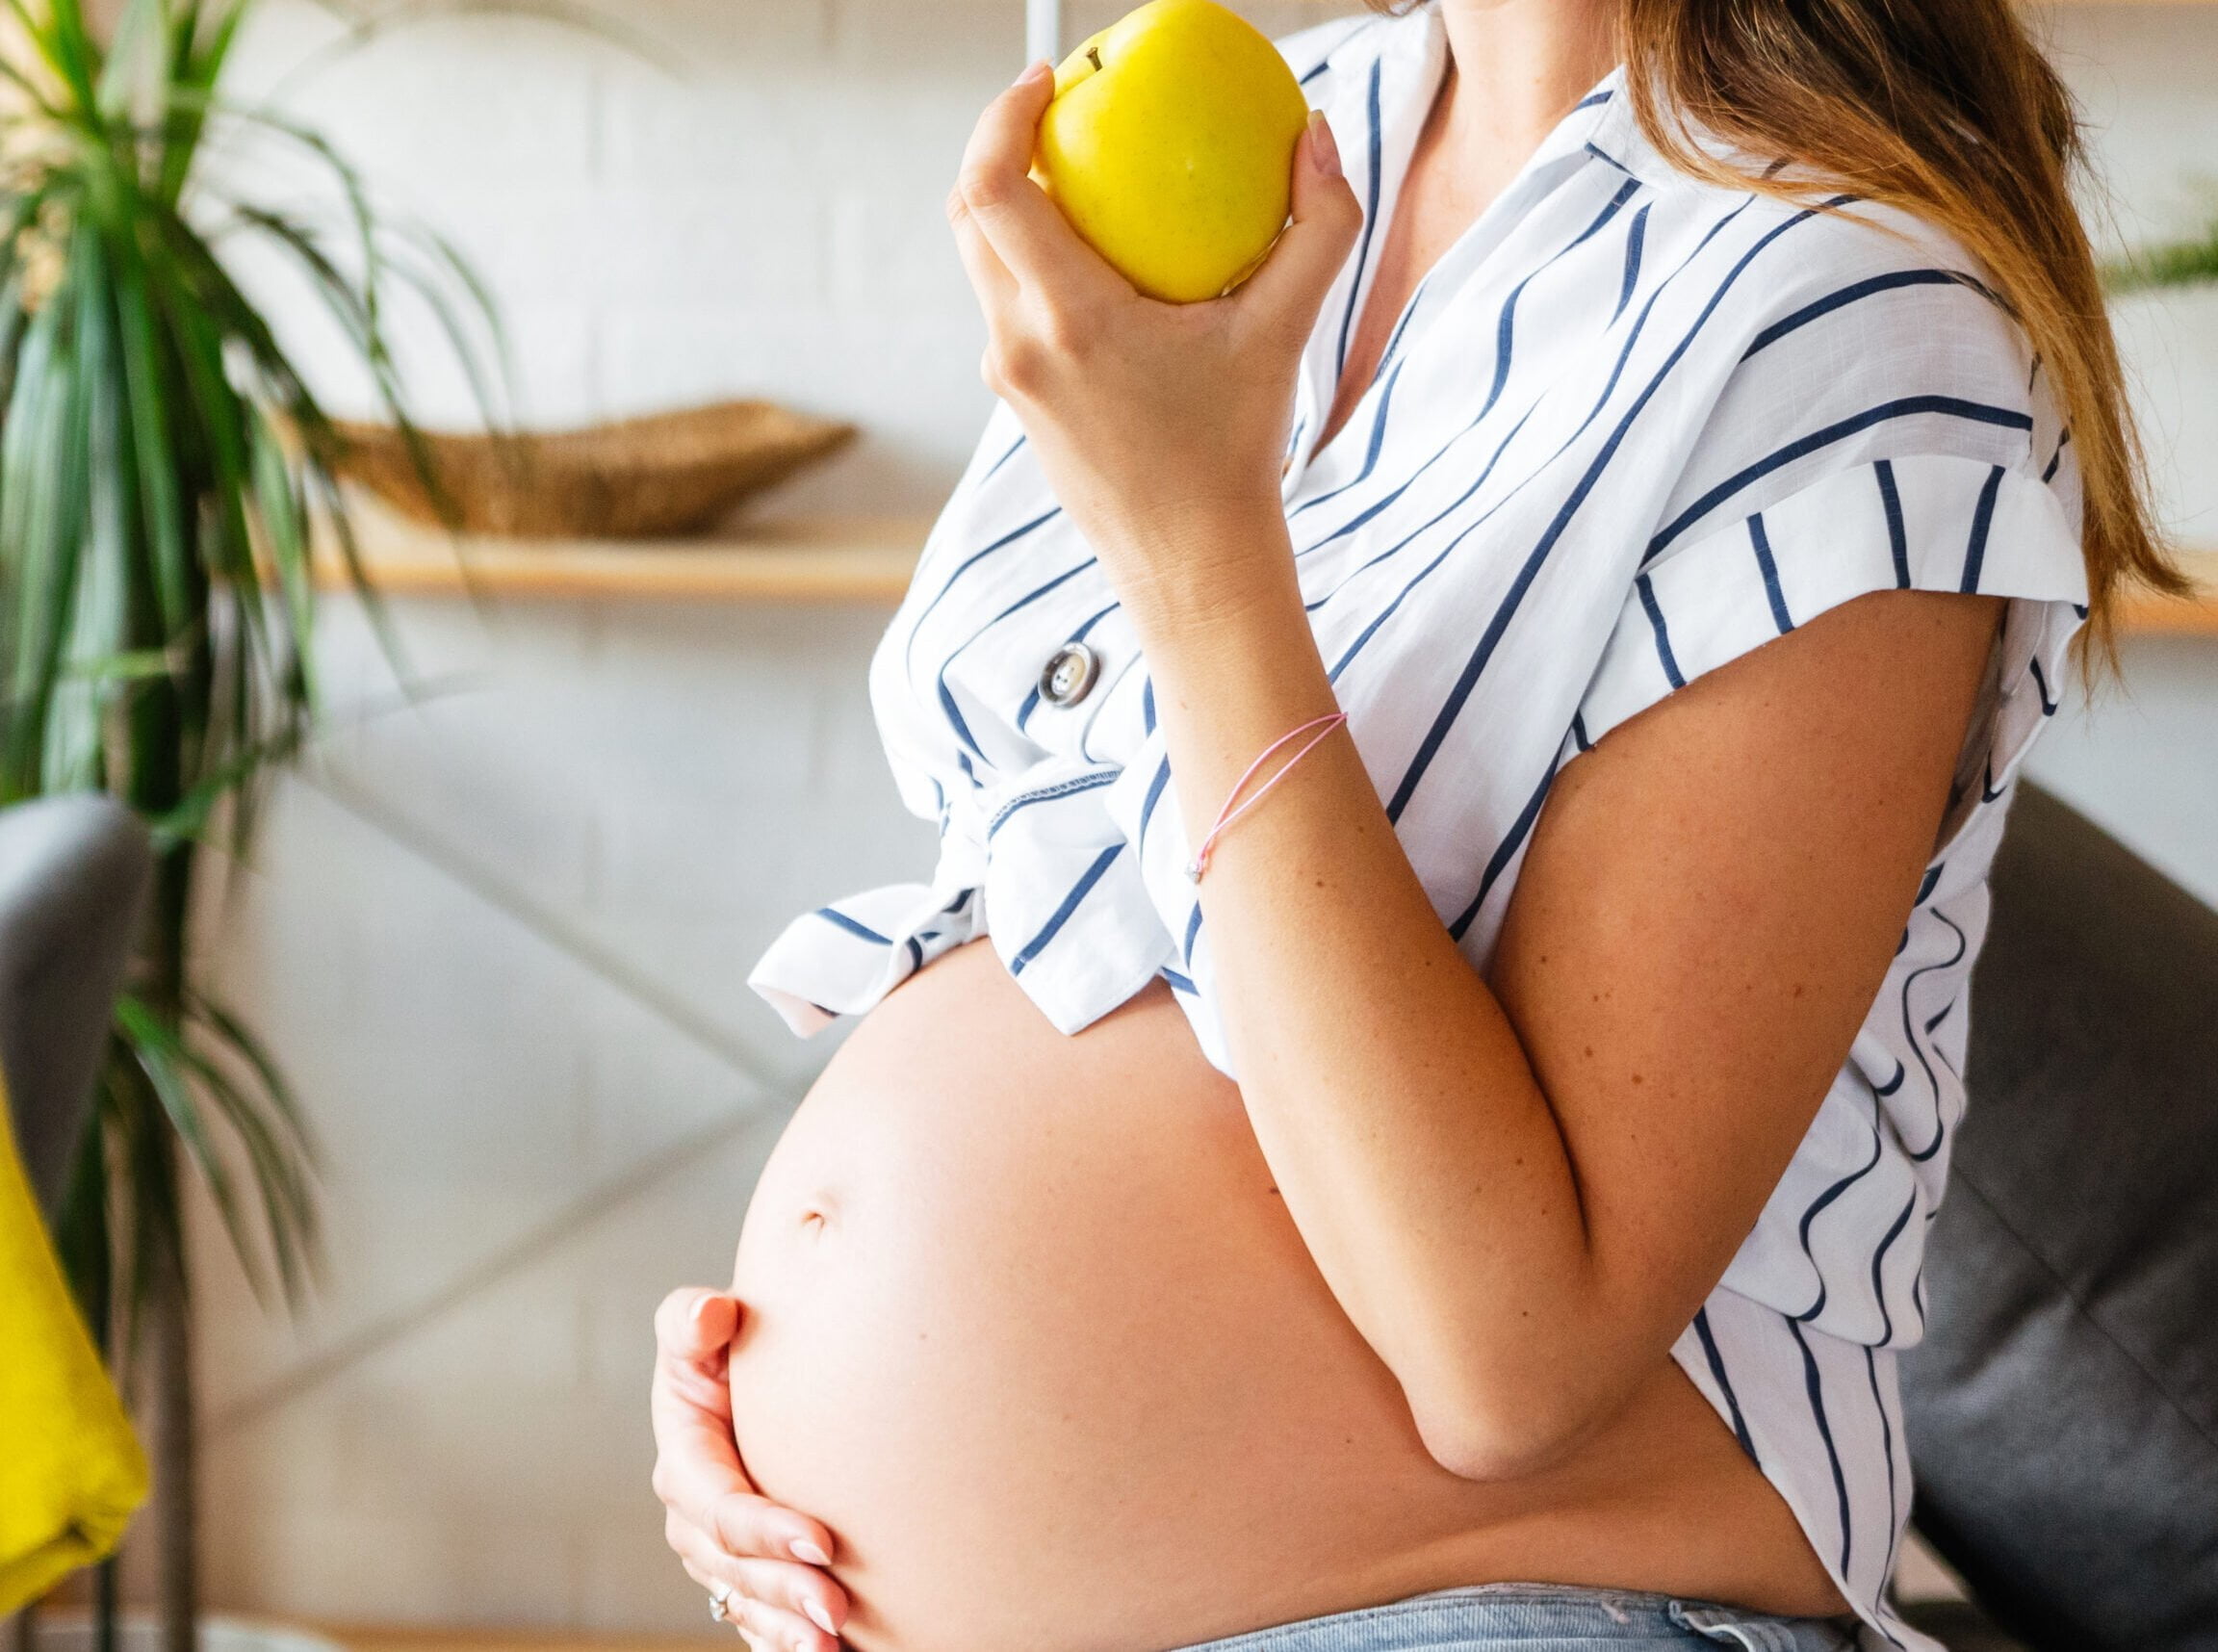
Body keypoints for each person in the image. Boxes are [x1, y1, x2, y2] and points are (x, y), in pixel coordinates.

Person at [651, 3, 2184, 1651]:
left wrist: (1197, 541)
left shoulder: (1852, 307)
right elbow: (1069, 889)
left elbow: (1513, 1355)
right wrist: (779, 1377)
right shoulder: (1293, 120)